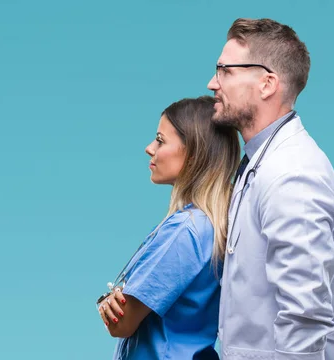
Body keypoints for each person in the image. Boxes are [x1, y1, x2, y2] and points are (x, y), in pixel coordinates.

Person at [207, 18, 334, 360]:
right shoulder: (261, 162)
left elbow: (304, 317)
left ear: (267, 84)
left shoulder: (293, 173)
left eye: (225, 71)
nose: (212, 83)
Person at [97, 96, 240, 359]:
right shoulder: (215, 225)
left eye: (160, 140)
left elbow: (122, 323)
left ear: (194, 154)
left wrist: (109, 304)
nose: (149, 148)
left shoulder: (186, 230)